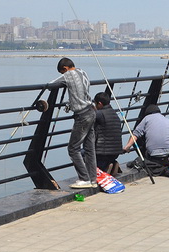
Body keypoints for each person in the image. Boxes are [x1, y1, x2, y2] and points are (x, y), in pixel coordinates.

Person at [49, 58, 96, 189]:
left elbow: (51, 84)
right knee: (90, 148)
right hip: (91, 111)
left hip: (82, 115)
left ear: (65, 68)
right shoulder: (83, 72)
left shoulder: (68, 75)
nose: (62, 75)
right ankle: (93, 179)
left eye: (62, 72)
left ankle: (84, 178)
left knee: (73, 148)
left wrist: (63, 80)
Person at [124, 104, 169, 176]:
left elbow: (136, 134)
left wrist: (127, 147)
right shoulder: (168, 120)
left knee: (140, 160)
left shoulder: (146, 119)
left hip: (155, 157)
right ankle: (164, 168)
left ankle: (161, 169)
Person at [93, 92, 123, 176]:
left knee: (81, 154)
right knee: (106, 159)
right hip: (115, 152)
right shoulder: (114, 114)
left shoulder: (100, 114)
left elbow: (87, 117)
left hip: (103, 153)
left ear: (99, 103)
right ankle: (113, 164)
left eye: (95, 104)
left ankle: (105, 167)